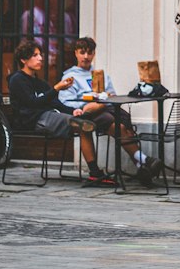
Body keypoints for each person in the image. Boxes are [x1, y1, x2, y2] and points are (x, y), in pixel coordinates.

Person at [59, 37, 163, 188]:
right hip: (86, 113)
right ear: (76, 53)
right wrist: (86, 103)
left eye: (89, 53)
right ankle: (143, 162)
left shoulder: (100, 74)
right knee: (114, 123)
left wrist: (103, 98)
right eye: (82, 53)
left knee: (123, 123)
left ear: (94, 54)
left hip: (105, 108)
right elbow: (65, 102)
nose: (86, 57)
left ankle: (143, 165)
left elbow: (111, 95)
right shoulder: (70, 76)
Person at [8, 39, 114, 186]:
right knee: (83, 125)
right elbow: (33, 103)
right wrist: (56, 88)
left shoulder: (39, 82)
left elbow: (55, 102)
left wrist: (74, 110)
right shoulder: (17, 80)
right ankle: (95, 173)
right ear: (23, 60)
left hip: (49, 115)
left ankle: (94, 174)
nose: (40, 58)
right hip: (33, 120)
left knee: (84, 123)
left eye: (40, 55)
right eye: (35, 55)